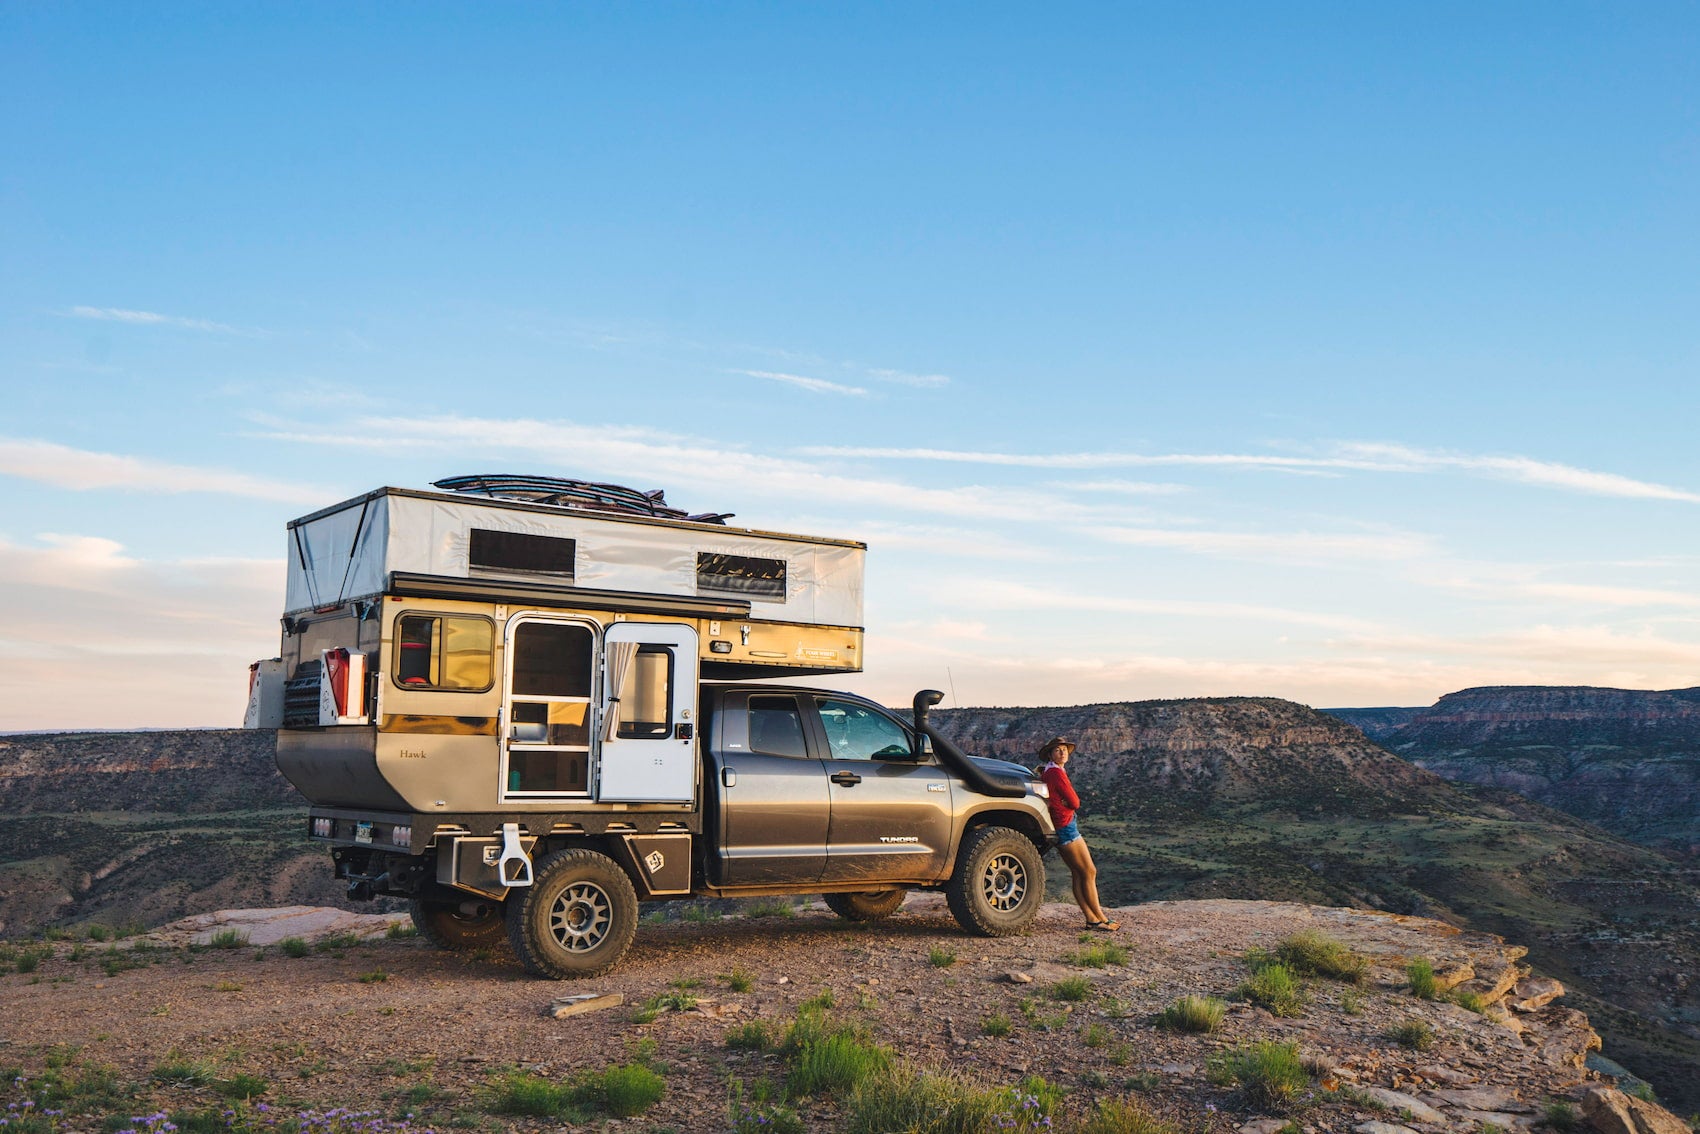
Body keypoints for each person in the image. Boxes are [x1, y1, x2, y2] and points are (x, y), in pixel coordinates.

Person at [1036, 736, 1119, 932]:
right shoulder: (1056, 773)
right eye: (1058, 750)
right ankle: (1100, 917)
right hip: (1066, 826)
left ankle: (1092, 918)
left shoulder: (1050, 771)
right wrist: (1067, 806)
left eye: (1064, 749)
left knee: (1078, 873)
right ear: (1050, 754)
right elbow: (1075, 802)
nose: (1063, 752)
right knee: (1089, 872)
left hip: (1061, 825)